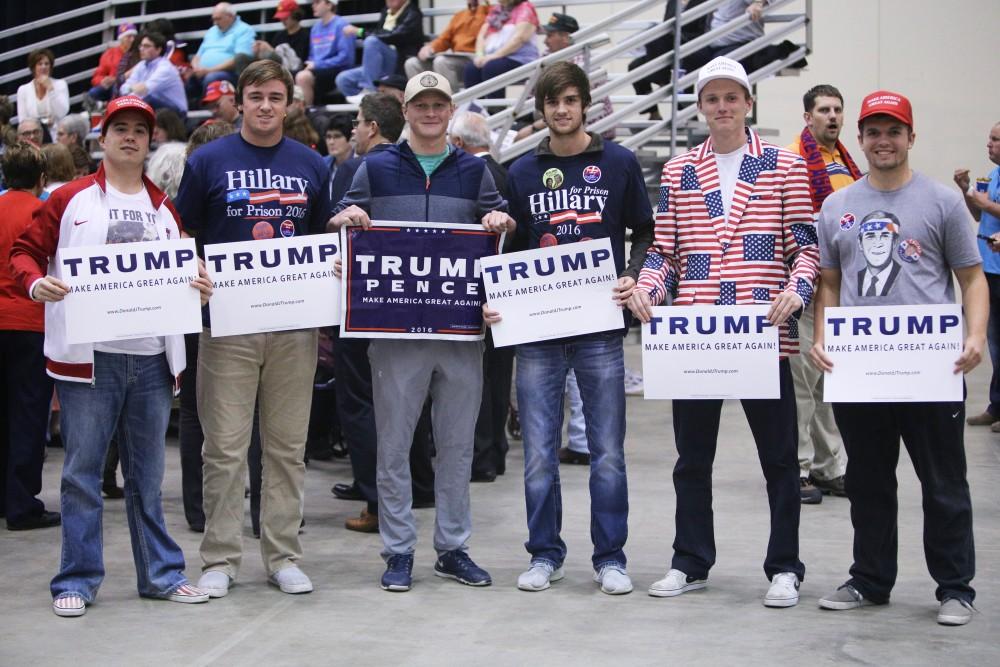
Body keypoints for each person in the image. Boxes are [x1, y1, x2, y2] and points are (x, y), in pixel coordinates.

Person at [9, 95, 215, 617]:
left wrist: (200, 285)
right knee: (81, 472)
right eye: (119, 128)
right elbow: (23, 252)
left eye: (139, 131)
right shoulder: (70, 199)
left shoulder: (166, 211)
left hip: (149, 358)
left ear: (150, 142)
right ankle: (75, 579)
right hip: (90, 357)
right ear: (103, 139)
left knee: (147, 476)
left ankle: (162, 575)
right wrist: (35, 285)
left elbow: (185, 272)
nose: (129, 137)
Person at [628, 57, 816, 607]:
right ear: (701, 106)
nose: (723, 107)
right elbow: (665, 253)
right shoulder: (679, 170)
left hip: (762, 334)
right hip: (697, 337)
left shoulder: (783, 165)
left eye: (732, 97)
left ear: (748, 103)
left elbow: (806, 246)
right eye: (713, 98)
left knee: (779, 459)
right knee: (691, 458)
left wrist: (798, 290)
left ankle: (784, 567)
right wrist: (648, 288)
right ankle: (690, 560)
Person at [329, 71, 513, 591]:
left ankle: (452, 548)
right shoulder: (375, 165)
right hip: (393, 330)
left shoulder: (474, 171)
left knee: (456, 445)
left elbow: (498, 221)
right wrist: (349, 217)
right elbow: (339, 218)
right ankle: (398, 550)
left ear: (449, 110)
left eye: (439, 105)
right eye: (421, 105)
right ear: (405, 111)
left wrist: (501, 224)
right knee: (394, 443)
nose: (430, 113)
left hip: (459, 330)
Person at [810, 90, 987, 627]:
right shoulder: (837, 206)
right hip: (862, 370)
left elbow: (971, 276)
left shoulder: (941, 202)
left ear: (911, 137)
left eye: (893, 131)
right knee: (867, 480)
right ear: (859, 138)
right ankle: (870, 579)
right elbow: (830, 285)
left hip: (932, 370)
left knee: (943, 480)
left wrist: (974, 336)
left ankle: (955, 588)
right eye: (873, 132)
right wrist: (823, 337)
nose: (882, 141)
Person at [482, 62, 652, 594]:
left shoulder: (619, 163)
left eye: (571, 101)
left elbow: (646, 232)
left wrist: (631, 276)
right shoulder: (522, 171)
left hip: (600, 326)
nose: (561, 110)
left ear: (585, 106)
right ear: (542, 109)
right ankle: (545, 554)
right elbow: (510, 248)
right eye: (552, 102)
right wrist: (497, 284)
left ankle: (611, 558)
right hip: (538, 330)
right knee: (536, 452)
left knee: (607, 450)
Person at [173, 60, 332, 598]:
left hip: (293, 326)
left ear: (290, 103)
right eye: (255, 96)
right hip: (227, 326)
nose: (265, 106)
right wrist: (191, 265)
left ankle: (283, 554)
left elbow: (323, 242)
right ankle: (220, 558)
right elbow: (183, 233)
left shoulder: (313, 164)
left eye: (275, 96)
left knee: (287, 447)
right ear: (239, 101)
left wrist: (332, 267)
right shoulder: (209, 160)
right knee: (224, 447)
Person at [785, 84, 861, 504]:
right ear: (807, 116)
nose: (832, 117)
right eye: (823, 110)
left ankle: (829, 467)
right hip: (803, 286)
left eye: (837, 109)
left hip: (840, 286)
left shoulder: (846, 161)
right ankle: (795, 469)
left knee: (830, 380)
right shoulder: (794, 160)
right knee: (802, 384)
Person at [449, 110, 514, 484]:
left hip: (478, 292)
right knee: (498, 376)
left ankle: (482, 456)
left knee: (477, 378)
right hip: (510, 290)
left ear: (457, 143)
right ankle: (496, 453)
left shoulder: (472, 177)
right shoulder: (508, 173)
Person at [1, 141, 59, 532]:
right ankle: (21, 502)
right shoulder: (41, 212)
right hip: (30, 323)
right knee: (27, 414)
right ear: (42, 179)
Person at [955, 121, 1000, 432]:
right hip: (989, 265)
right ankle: (996, 405)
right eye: (989, 139)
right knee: (994, 342)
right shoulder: (994, 175)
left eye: (995, 140)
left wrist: (982, 201)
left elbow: (988, 206)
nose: (989, 145)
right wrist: (966, 191)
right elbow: (979, 215)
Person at [335, 0, 425, 100]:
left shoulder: (413, 13)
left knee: (372, 42)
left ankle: (370, 92)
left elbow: (394, 35)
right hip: (379, 64)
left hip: (399, 63)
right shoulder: (386, 11)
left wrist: (361, 32)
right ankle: (367, 107)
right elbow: (380, 33)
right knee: (343, 79)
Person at [404, 0, 490, 92]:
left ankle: (452, 102)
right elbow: (444, 39)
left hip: (475, 57)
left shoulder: (490, 13)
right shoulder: (460, 15)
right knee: (412, 63)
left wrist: (481, 6)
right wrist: (430, 48)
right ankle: (424, 102)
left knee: (442, 62)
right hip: (455, 57)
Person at [464, 0, 539, 99]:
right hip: (493, 58)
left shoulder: (525, 8)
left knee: (492, 67)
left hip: (520, 59)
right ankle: (475, 111)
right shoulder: (497, 10)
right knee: (471, 69)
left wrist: (494, 56)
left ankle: (494, 111)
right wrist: (480, 55)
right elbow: (481, 36)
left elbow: (520, 38)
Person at [295, 0, 357, 106]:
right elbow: (312, 55)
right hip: (318, 68)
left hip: (337, 69)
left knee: (303, 77)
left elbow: (346, 58)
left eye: (317, 2)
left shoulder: (341, 24)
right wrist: (312, 64)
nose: (313, 6)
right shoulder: (315, 28)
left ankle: (308, 115)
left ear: (329, 5)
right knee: (288, 76)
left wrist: (317, 64)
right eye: (313, 3)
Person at [189, 2, 256, 94]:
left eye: (218, 19)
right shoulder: (211, 31)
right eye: (213, 19)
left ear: (231, 16)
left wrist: (209, 71)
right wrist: (196, 68)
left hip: (229, 73)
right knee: (188, 78)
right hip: (203, 72)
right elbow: (197, 56)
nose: (215, 23)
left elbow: (239, 59)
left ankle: (209, 108)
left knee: (212, 78)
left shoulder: (244, 30)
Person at [121, 32, 189, 116]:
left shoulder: (165, 68)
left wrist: (132, 91)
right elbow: (123, 89)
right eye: (141, 46)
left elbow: (145, 90)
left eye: (146, 46)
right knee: (125, 102)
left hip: (177, 112)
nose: (141, 49)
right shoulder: (141, 65)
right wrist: (132, 89)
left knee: (145, 101)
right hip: (156, 106)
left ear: (158, 50)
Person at [17, 49, 70, 127]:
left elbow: (62, 112)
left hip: (56, 133)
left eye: (46, 64)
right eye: (40, 64)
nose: (43, 67)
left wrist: (51, 89)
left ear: (50, 67)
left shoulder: (60, 84)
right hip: (33, 134)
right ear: (33, 67)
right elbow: (22, 120)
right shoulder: (23, 90)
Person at [253, 0, 310, 72]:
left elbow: (297, 63)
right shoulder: (279, 35)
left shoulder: (305, 35)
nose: (282, 21)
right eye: (281, 18)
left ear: (296, 15)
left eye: (286, 18)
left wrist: (269, 49)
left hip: (294, 72)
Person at [88, 23, 138, 104]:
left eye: (134, 37)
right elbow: (97, 76)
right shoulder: (110, 53)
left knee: (116, 87)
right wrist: (103, 81)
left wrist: (116, 80)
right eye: (128, 37)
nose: (132, 39)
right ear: (121, 39)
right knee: (93, 93)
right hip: (111, 86)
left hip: (130, 85)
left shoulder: (138, 53)